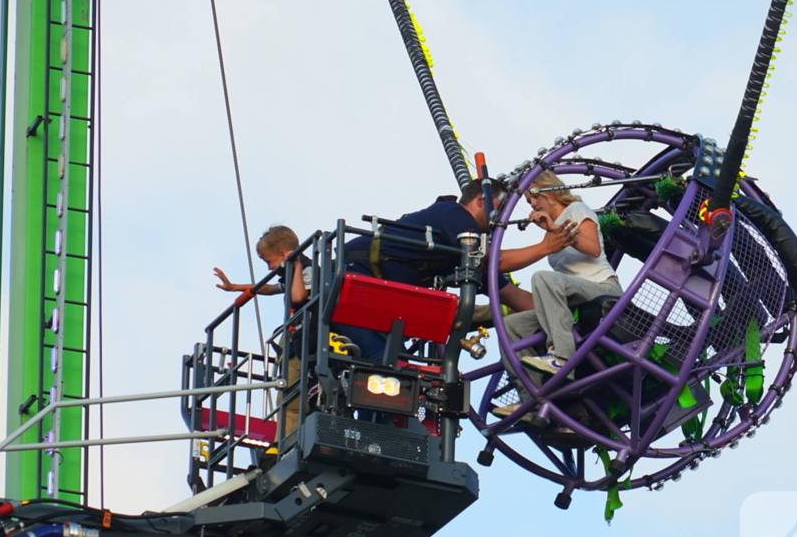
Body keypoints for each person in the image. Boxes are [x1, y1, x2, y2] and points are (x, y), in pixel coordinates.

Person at [339, 178, 579, 361]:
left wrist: (565, 315)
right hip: (355, 283)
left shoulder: (466, 257)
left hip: (377, 299)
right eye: (500, 206)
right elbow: (495, 261)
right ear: (479, 201)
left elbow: (513, 297)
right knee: (384, 365)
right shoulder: (455, 216)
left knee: (395, 367)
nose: (503, 216)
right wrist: (545, 247)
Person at [496, 171, 623, 417]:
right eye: (527, 201)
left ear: (547, 188)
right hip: (572, 298)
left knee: (542, 277)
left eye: (532, 195)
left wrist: (556, 229)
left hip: (601, 288)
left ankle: (562, 355)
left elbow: (593, 249)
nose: (531, 204)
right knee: (511, 325)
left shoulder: (577, 209)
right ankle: (530, 400)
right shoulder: (549, 231)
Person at [213, 225, 312, 436]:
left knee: (290, 395)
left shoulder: (305, 270)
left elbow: (298, 298)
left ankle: (283, 444)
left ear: (285, 254)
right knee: (289, 392)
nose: (269, 269)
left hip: (304, 338)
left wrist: (295, 266)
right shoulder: (291, 274)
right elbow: (271, 288)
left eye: (269, 261)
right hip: (299, 339)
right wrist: (235, 287)